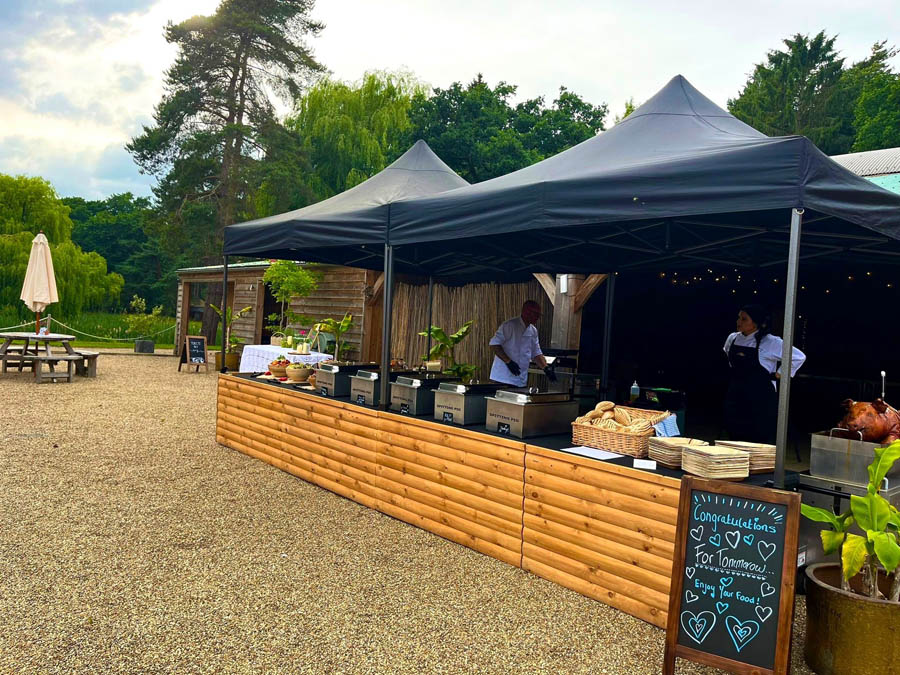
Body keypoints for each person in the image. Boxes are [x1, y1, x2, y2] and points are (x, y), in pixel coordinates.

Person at [723, 304, 806, 444]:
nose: (739, 322)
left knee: (757, 436)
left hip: (760, 396)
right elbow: (727, 353)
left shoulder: (770, 342)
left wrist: (780, 373)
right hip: (736, 393)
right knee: (734, 434)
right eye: (739, 318)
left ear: (756, 323)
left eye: (744, 319)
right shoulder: (732, 338)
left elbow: (798, 357)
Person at [489, 300, 555, 387]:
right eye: (536, 314)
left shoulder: (533, 331)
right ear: (526, 312)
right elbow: (494, 344)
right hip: (502, 378)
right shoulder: (509, 325)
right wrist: (508, 362)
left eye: (539, 315)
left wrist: (546, 368)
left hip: (520, 380)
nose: (538, 317)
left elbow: (536, 353)